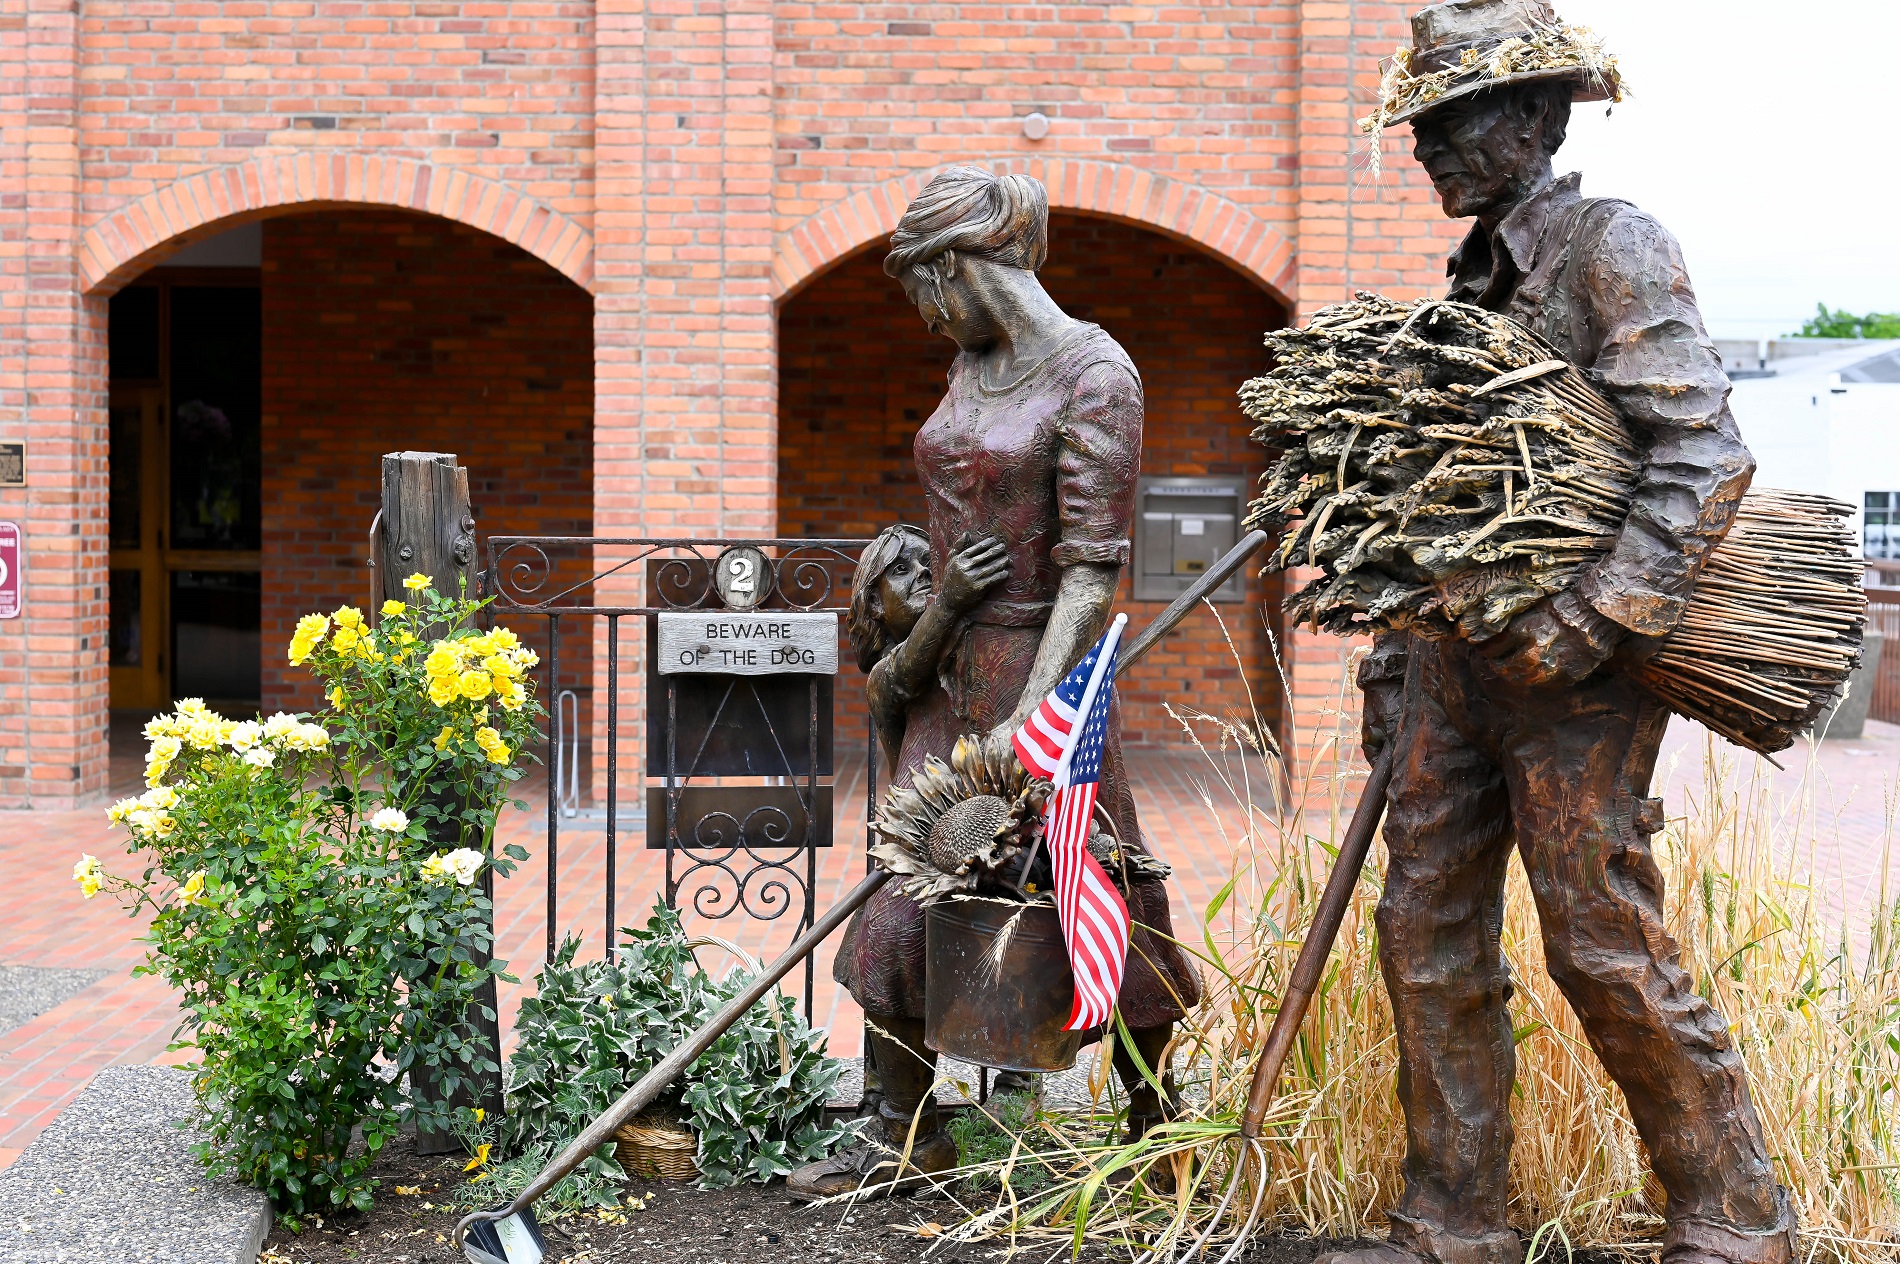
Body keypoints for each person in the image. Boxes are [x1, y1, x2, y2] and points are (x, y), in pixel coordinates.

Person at [1328, 4, 1794, 1264]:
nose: (1424, 144)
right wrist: (1391, 660)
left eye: (1448, 117)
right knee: (1421, 931)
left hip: (1573, 673)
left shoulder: (1609, 247)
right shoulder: (1469, 282)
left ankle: (1735, 1218)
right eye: (1416, 121)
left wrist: (1592, 616)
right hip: (1450, 670)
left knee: (1597, 935)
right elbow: (1428, 506)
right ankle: (1453, 1217)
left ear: (1535, 117)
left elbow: (1700, 453)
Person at [786, 167, 1202, 1201]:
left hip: (1042, 677)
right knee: (900, 894)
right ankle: (904, 1133)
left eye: (924, 289)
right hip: (952, 674)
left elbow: (1093, 566)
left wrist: (1036, 712)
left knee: (1090, 887)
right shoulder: (974, 369)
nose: (925, 317)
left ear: (960, 264)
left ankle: (1155, 1129)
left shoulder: (1095, 373)